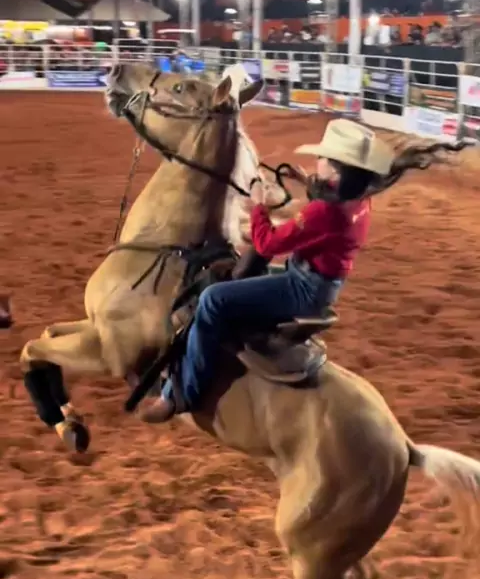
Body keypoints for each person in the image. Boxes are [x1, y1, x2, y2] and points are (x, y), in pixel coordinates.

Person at [141, 119, 471, 423]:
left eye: (325, 159)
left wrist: (259, 205)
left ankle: (182, 395)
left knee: (214, 298)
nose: (319, 161)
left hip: (302, 288)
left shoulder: (325, 212)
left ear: (337, 172)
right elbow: (326, 202)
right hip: (320, 284)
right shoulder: (358, 196)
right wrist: (306, 182)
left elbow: (267, 243)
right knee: (234, 277)